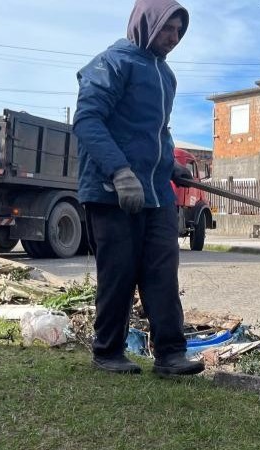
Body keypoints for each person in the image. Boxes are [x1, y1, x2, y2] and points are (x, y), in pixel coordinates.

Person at [73, 0, 203, 377]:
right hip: (111, 190)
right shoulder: (113, 62)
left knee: (163, 270)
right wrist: (119, 172)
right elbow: (88, 119)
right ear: (147, 23)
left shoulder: (166, 76)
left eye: (179, 31)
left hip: (156, 192)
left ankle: (170, 354)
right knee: (119, 271)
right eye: (167, 28)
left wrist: (172, 165)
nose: (174, 38)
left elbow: (157, 132)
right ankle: (107, 350)